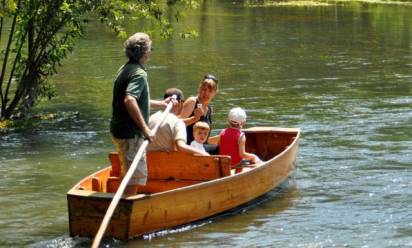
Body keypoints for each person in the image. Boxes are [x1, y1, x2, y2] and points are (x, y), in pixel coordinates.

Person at [110, 32, 169, 196]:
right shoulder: (139, 74)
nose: (151, 52)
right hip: (130, 134)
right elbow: (129, 100)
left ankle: (124, 204)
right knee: (135, 176)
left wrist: (161, 104)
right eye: (151, 48)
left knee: (129, 173)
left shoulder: (126, 68)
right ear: (145, 52)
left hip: (119, 130)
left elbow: (135, 100)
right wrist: (145, 129)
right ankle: (126, 212)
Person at [147, 88, 209, 156]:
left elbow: (169, 124)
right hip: (167, 164)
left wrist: (195, 118)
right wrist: (205, 154)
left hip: (147, 163)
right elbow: (181, 147)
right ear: (180, 103)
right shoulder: (178, 123)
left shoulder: (151, 118)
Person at [179, 74, 219, 153]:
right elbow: (176, 124)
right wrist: (194, 118)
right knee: (219, 149)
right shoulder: (192, 102)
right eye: (204, 89)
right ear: (199, 88)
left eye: (210, 91)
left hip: (202, 147)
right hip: (189, 147)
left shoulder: (209, 109)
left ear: (215, 93)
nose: (206, 93)